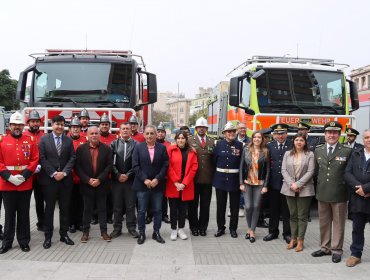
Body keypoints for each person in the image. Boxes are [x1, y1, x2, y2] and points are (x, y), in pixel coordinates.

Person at [311, 121, 352, 263]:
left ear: (339, 134)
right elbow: (316, 171)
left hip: (339, 192)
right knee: (324, 222)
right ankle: (325, 248)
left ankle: (336, 250)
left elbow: (349, 172)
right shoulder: (318, 150)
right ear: (325, 134)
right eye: (329, 132)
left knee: (339, 223)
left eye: (335, 132)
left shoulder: (346, 150)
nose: (332, 135)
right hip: (322, 191)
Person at [0, 112, 39, 254]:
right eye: (14, 124)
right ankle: (7, 242)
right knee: (9, 215)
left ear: (23, 126)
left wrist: (24, 176)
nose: (17, 127)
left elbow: (35, 159)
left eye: (20, 124)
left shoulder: (30, 141)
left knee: (23, 214)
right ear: (9, 125)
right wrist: (9, 177)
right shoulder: (2, 141)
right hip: (7, 183)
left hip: (25, 183)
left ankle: (24, 241)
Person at [38, 115, 76, 249]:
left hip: (65, 180)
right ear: (52, 124)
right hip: (50, 180)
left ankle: (64, 234)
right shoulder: (44, 140)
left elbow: (72, 157)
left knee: (65, 208)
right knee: (49, 209)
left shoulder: (68, 140)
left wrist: (64, 173)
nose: (60, 127)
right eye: (57, 124)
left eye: (62, 124)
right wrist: (54, 173)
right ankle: (48, 236)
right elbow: (42, 159)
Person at [132, 125, 169, 245]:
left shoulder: (162, 148)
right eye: (147, 133)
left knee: (158, 210)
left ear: (156, 135)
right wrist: (145, 180)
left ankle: (156, 232)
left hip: (157, 185)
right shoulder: (138, 147)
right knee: (142, 211)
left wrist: (157, 179)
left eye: (152, 133)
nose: (149, 136)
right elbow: (135, 166)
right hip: (142, 185)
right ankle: (142, 233)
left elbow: (165, 165)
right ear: (144, 135)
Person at [75, 126, 113, 243]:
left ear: (99, 135)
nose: (94, 135)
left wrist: (100, 179)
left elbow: (109, 166)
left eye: (96, 133)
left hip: (102, 184)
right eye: (92, 133)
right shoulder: (81, 149)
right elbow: (78, 167)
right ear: (87, 135)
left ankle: (104, 232)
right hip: (87, 185)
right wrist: (88, 180)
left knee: (102, 209)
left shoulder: (107, 149)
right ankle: (85, 232)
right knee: (87, 209)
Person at [281, 132, 315, 252]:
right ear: (293, 142)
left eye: (301, 140)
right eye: (296, 140)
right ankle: (293, 239)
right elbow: (283, 170)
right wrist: (292, 184)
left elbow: (311, 171)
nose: (299, 142)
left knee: (302, 216)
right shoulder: (287, 154)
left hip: (305, 189)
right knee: (293, 215)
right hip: (289, 188)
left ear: (305, 142)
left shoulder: (310, 154)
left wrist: (298, 184)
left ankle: (301, 240)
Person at [344, 129, 370, 267]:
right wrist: (359, 189)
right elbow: (347, 173)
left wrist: (366, 189)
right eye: (366, 137)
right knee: (357, 228)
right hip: (358, 198)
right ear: (363, 139)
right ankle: (355, 254)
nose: (369, 140)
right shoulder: (355, 154)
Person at [166, 130, 198, 241]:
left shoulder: (192, 152)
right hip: (173, 185)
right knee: (173, 208)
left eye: (183, 138)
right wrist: (176, 182)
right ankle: (174, 229)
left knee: (183, 209)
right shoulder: (171, 150)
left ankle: (181, 228)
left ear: (186, 139)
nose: (180, 140)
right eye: (178, 138)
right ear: (175, 139)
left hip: (186, 185)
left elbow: (194, 168)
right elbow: (168, 166)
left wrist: (184, 183)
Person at [213, 122, 243, 238]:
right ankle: (221, 228)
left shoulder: (241, 145)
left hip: (234, 179)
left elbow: (242, 164)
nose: (231, 133)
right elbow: (214, 161)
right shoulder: (218, 145)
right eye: (229, 131)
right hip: (220, 179)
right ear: (224, 133)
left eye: (233, 131)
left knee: (234, 207)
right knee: (220, 206)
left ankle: (233, 228)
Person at [239, 130, 270, 243]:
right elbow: (241, 167)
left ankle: (252, 230)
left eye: (259, 137)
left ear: (262, 139)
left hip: (259, 184)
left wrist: (266, 185)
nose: (257, 139)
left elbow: (268, 170)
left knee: (256, 206)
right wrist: (241, 183)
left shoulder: (266, 151)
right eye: (255, 137)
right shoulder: (246, 150)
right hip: (247, 183)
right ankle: (249, 228)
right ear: (252, 139)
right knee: (248, 207)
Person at [264, 123, 292, 243]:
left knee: (287, 210)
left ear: (286, 134)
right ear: (274, 135)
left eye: (283, 133)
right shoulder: (269, 146)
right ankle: (273, 232)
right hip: (273, 182)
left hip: (288, 183)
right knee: (273, 209)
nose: (280, 136)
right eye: (278, 134)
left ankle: (287, 233)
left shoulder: (292, 145)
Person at [110, 123, 138, 239]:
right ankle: (117, 228)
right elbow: (110, 162)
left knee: (131, 206)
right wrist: (117, 175)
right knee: (117, 206)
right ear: (119, 131)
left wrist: (128, 175)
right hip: (117, 181)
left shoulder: (136, 145)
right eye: (123, 129)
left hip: (130, 180)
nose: (125, 130)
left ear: (131, 130)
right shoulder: (114, 144)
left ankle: (131, 228)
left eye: (127, 128)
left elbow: (137, 163)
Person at [188, 117, 215, 237]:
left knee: (205, 205)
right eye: (199, 127)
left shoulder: (212, 141)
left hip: (207, 179)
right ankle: (193, 227)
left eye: (204, 128)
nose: (202, 129)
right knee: (193, 205)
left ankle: (203, 227)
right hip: (193, 179)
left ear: (206, 129)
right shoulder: (189, 140)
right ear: (196, 128)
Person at [23, 109, 45, 231]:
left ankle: (41, 223)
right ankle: (25, 225)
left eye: (37, 121)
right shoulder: (24, 136)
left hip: (41, 175)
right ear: (28, 122)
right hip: (27, 174)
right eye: (33, 121)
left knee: (40, 200)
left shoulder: (44, 136)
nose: (35, 124)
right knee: (25, 202)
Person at [68, 116, 87, 233]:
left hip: (81, 177)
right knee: (70, 202)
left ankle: (80, 223)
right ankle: (71, 224)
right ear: (70, 129)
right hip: (69, 176)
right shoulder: (65, 140)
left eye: (78, 127)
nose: (76, 129)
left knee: (81, 202)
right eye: (74, 127)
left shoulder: (85, 140)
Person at [97, 113, 117, 224]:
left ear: (109, 126)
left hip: (110, 173)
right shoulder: (95, 136)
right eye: (103, 124)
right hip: (97, 173)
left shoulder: (114, 138)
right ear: (99, 125)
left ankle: (109, 216)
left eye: (106, 124)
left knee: (110, 197)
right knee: (97, 197)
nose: (104, 126)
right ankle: (95, 217)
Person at [156, 124, 171, 224]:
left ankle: (164, 215)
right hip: (152, 175)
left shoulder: (169, 145)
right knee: (150, 196)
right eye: (159, 131)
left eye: (162, 132)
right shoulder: (151, 143)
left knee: (164, 197)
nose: (160, 133)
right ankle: (150, 215)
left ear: (165, 134)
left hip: (164, 175)